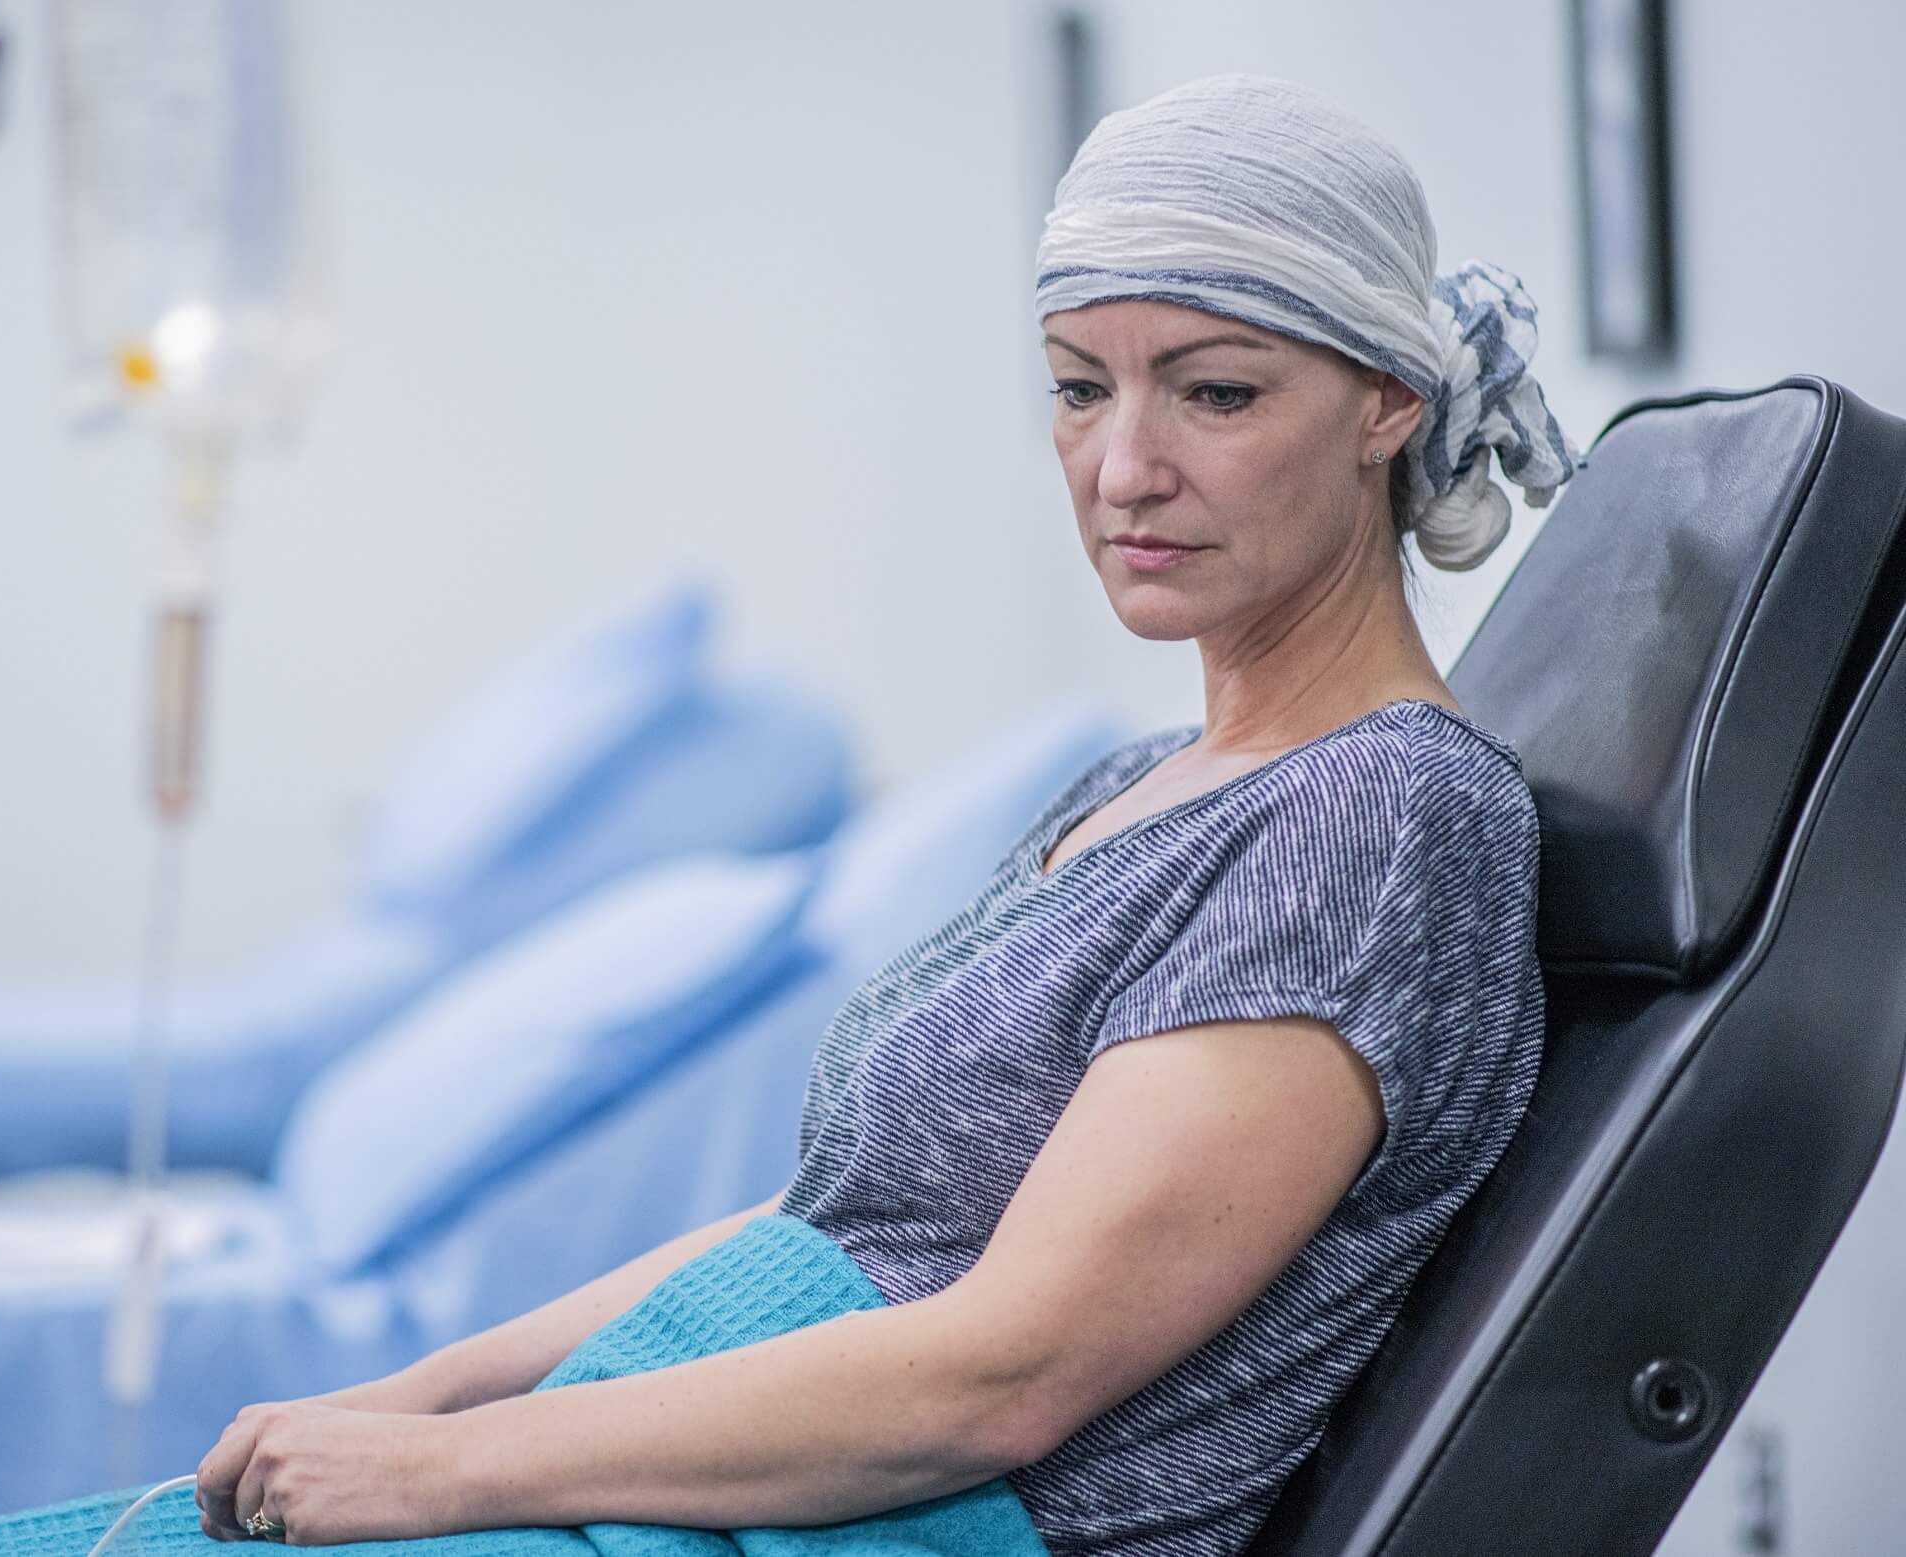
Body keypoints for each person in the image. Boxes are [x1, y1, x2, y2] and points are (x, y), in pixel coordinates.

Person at [190, 72, 1578, 1556]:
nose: (1123, 470)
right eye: (1078, 385)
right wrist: (432, 1391)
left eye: (1216, 390)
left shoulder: (1381, 815)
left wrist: (457, 1473)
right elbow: (834, 1214)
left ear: (1387, 404)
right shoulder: (1126, 789)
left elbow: (1004, 1376)